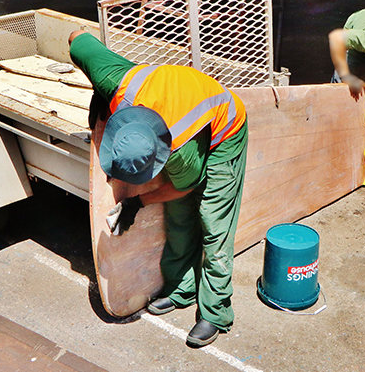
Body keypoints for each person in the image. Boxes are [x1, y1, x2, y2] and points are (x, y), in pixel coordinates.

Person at [68, 30, 248, 348]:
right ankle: (182, 290)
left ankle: (216, 312)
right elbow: (77, 38)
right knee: (177, 218)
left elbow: (184, 187)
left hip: (225, 127)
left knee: (212, 221)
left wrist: (138, 203)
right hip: (179, 99)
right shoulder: (112, 77)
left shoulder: (180, 150)